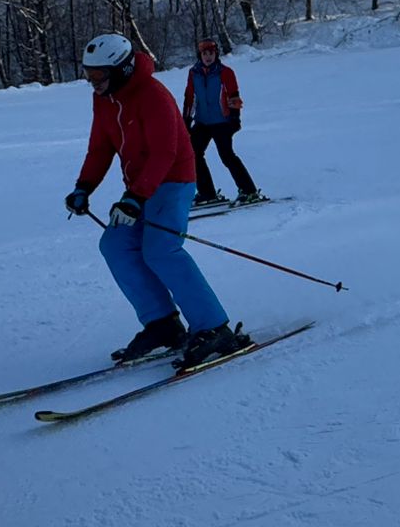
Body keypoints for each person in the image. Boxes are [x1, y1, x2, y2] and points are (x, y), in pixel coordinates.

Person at [64, 33, 247, 369]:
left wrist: (135, 197)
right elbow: (101, 146)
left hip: (173, 180)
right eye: (89, 75)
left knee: (161, 249)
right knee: (115, 245)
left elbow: (167, 152)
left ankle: (214, 327)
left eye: (98, 75)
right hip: (139, 187)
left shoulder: (152, 95)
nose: (93, 83)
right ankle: (163, 324)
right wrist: (83, 187)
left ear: (121, 69)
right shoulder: (104, 98)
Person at [184, 38, 262, 206]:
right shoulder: (193, 73)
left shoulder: (225, 72)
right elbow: (190, 98)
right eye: (205, 54)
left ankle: (249, 191)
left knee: (227, 156)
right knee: (193, 154)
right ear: (200, 55)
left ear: (216, 54)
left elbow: (234, 96)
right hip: (202, 123)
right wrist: (186, 121)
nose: (208, 57)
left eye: (211, 53)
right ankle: (207, 193)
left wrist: (235, 118)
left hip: (222, 122)